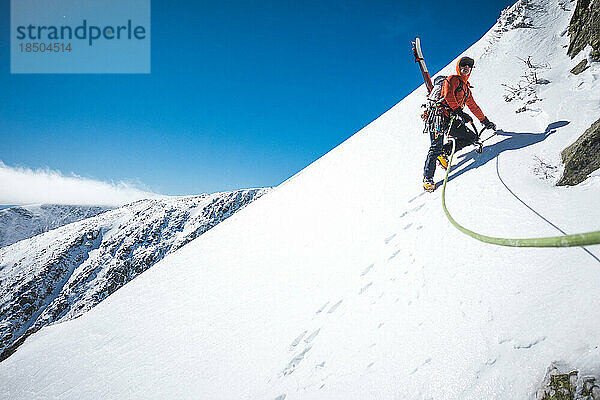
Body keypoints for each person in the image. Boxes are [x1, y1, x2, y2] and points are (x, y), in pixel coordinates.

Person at [422, 56, 496, 192]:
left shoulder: (467, 89)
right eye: (463, 65)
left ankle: (445, 151)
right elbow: (449, 95)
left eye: (469, 66)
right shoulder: (452, 80)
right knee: (435, 147)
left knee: (472, 137)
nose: (466, 68)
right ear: (459, 67)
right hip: (438, 117)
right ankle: (428, 178)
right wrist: (460, 112)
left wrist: (485, 121)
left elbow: (473, 106)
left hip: (451, 118)